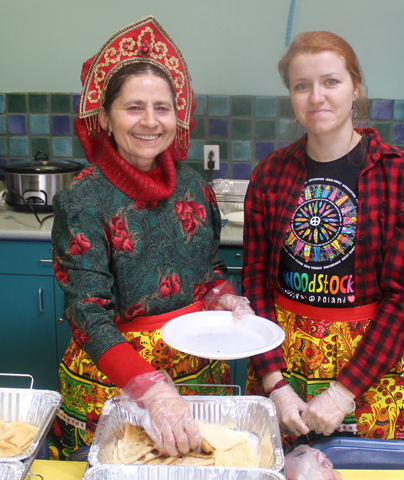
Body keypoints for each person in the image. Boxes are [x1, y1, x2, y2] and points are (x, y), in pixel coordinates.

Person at [49, 15, 252, 460]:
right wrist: (154, 393)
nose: (150, 121)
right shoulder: (81, 201)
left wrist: (224, 296)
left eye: (162, 107)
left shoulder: (193, 185)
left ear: (177, 116)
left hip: (199, 370)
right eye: (133, 107)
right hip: (118, 385)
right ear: (105, 116)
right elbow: (87, 314)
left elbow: (208, 269)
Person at [242, 31, 404, 452]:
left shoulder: (399, 176)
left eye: (331, 81)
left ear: (355, 87)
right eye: (301, 86)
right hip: (281, 359)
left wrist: (344, 392)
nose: (316, 97)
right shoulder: (270, 174)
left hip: (368, 365)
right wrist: (276, 384)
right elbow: (255, 282)